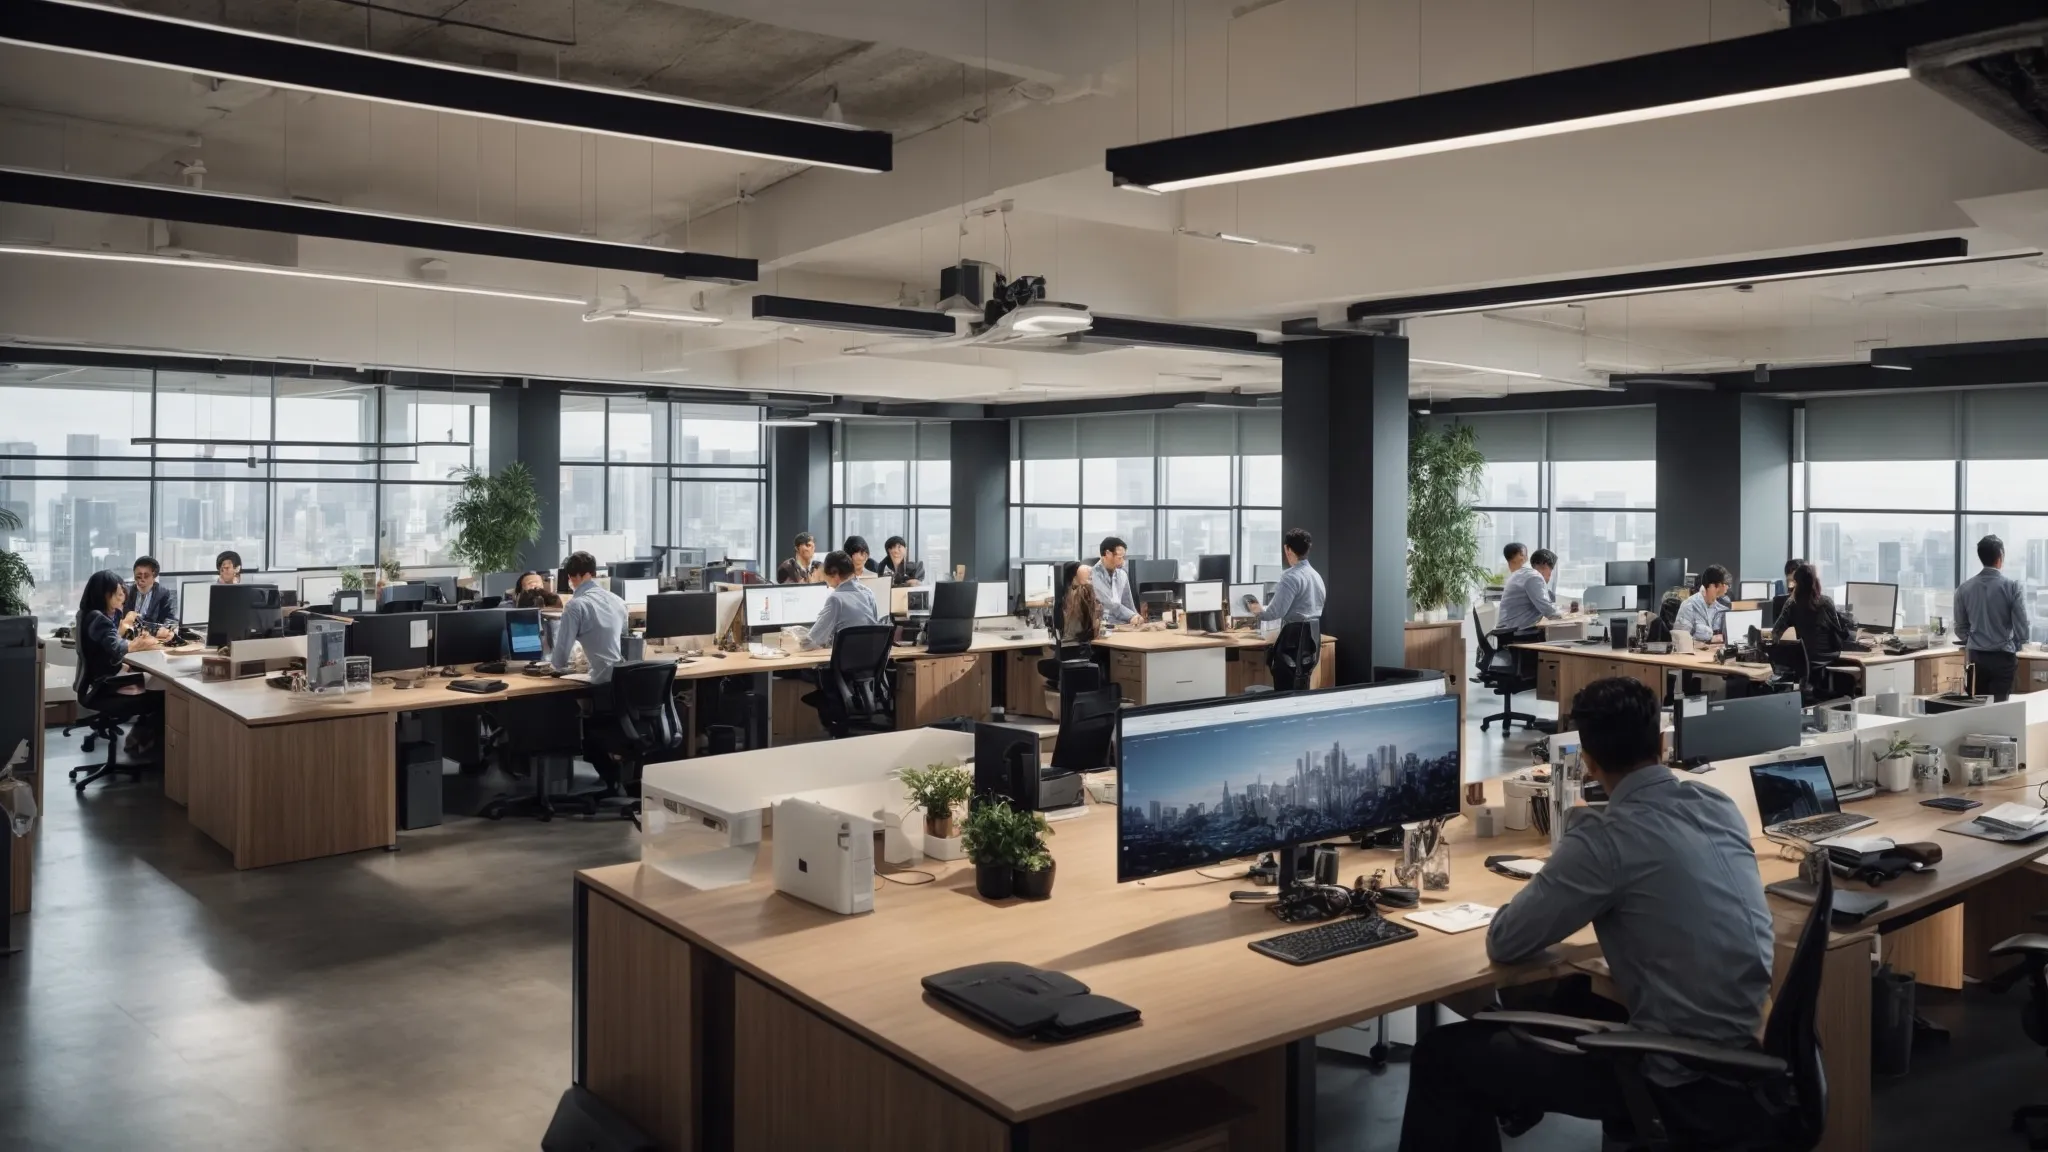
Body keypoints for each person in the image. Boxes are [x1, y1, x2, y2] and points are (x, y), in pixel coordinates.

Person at [1398, 676, 1776, 1152]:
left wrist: (1564, 866)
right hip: (1747, 1049)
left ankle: (1513, 1101)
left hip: (1676, 1073)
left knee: (1441, 1057)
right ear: (1661, 743)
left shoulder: (1606, 837)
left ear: (1589, 762)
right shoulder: (1717, 804)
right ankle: (1515, 1102)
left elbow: (1506, 940)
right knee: (1559, 994)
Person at [1954, 534, 2033, 702]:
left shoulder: (1963, 589)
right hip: (2003, 658)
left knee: (1976, 707)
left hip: (1976, 658)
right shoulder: (2012, 587)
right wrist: (2016, 644)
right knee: (2000, 709)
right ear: (2001, 557)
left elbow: (1960, 628)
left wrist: (1976, 640)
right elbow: (2022, 629)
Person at [551, 551, 626, 684]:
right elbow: (623, 640)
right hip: (623, 678)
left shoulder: (574, 606)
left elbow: (560, 657)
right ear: (593, 573)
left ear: (571, 577)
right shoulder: (619, 601)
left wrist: (551, 667)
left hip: (601, 682)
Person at [1772, 561, 1856, 664]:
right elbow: (1839, 630)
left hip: (1805, 660)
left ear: (1796, 584)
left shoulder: (1791, 604)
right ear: (1816, 582)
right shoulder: (1826, 602)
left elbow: (1775, 632)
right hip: (1829, 658)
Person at [804, 551, 886, 650]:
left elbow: (809, 643)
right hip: (869, 659)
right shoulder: (868, 593)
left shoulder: (835, 599)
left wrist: (797, 636)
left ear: (835, 574)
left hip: (845, 662)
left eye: (825, 573)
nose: (824, 578)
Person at [1245, 528, 1326, 625]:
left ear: (1288, 549)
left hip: (1293, 635)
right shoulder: (1316, 576)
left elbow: (1273, 613)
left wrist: (1253, 607)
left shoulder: (1290, 576)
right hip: (1312, 636)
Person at [1495, 548, 1561, 632]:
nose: (1550, 575)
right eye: (1550, 571)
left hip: (1507, 630)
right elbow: (1548, 610)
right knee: (1562, 635)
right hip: (1515, 633)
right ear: (1545, 565)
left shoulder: (1521, 573)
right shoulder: (1534, 577)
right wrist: (1565, 616)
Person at [1091, 537, 1144, 627]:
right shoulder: (1093, 575)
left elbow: (1128, 602)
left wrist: (1137, 617)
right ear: (1108, 554)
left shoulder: (1122, 575)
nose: (1123, 562)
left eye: (1123, 558)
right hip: (1103, 626)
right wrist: (1131, 616)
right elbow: (1109, 604)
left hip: (1123, 625)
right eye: (1119, 558)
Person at [1674, 564, 1732, 645]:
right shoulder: (1689, 606)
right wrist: (1709, 640)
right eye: (1725, 584)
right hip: (1695, 656)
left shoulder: (1723, 607)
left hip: (1718, 655)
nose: (1727, 587)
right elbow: (1680, 641)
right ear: (1713, 586)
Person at [124, 556, 177, 638]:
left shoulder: (164, 594)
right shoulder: (126, 592)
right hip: (128, 637)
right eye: (138, 576)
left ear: (154, 575)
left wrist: (164, 629)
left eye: (146, 576)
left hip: (153, 638)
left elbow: (171, 620)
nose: (141, 579)